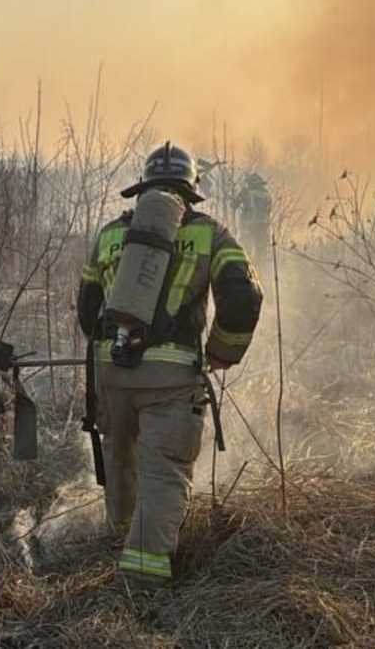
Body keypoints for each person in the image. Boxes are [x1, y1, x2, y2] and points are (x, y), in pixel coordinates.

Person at [77, 142, 263, 588]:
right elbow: (244, 295)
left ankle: (119, 542)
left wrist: (116, 351)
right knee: (163, 473)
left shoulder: (108, 235)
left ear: (142, 189)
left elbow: (87, 308)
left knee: (120, 461)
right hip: (172, 380)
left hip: (113, 374)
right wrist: (222, 352)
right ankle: (142, 582)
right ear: (190, 191)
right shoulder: (209, 234)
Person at [232, 172, 272, 256]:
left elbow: (233, 205)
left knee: (245, 248)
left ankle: (247, 266)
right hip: (263, 224)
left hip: (248, 224)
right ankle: (261, 265)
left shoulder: (246, 192)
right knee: (261, 249)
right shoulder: (266, 193)